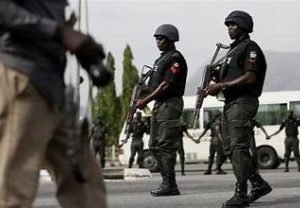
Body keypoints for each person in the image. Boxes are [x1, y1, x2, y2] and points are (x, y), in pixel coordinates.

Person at [0, 1, 111, 207]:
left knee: (84, 179)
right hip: (23, 79)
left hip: (51, 87)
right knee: (14, 189)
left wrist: (83, 50)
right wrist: (60, 32)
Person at [205, 10, 272, 207]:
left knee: (238, 147)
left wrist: (221, 85)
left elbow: (250, 77)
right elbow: (228, 80)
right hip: (230, 104)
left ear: (244, 26)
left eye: (233, 24)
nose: (229, 28)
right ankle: (258, 184)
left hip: (243, 102)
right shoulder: (232, 52)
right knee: (230, 149)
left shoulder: (250, 48)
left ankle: (241, 193)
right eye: (227, 25)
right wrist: (215, 78)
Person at [136, 24, 187, 197]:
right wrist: (142, 93)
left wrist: (145, 100)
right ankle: (167, 181)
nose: (157, 41)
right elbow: (155, 87)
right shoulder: (160, 60)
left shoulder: (175, 58)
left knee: (165, 145)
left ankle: (170, 184)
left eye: (161, 38)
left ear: (171, 39)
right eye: (156, 38)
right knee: (154, 145)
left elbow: (166, 85)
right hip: (159, 104)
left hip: (170, 104)